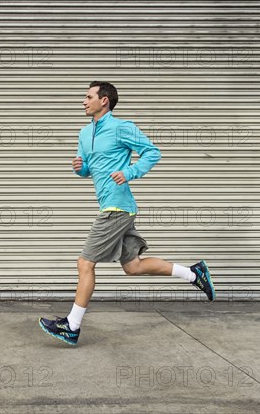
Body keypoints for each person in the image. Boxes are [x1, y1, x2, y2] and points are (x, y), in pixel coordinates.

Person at [38, 81, 216, 346]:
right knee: (132, 267)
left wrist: (130, 172)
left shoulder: (122, 127)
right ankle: (193, 273)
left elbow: (152, 152)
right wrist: (80, 168)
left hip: (117, 208)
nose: (83, 101)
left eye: (88, 97)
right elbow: (90, 169)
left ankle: (71, 326)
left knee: (85, 263)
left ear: (104, 100)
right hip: (115, 207)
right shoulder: (84, 134)